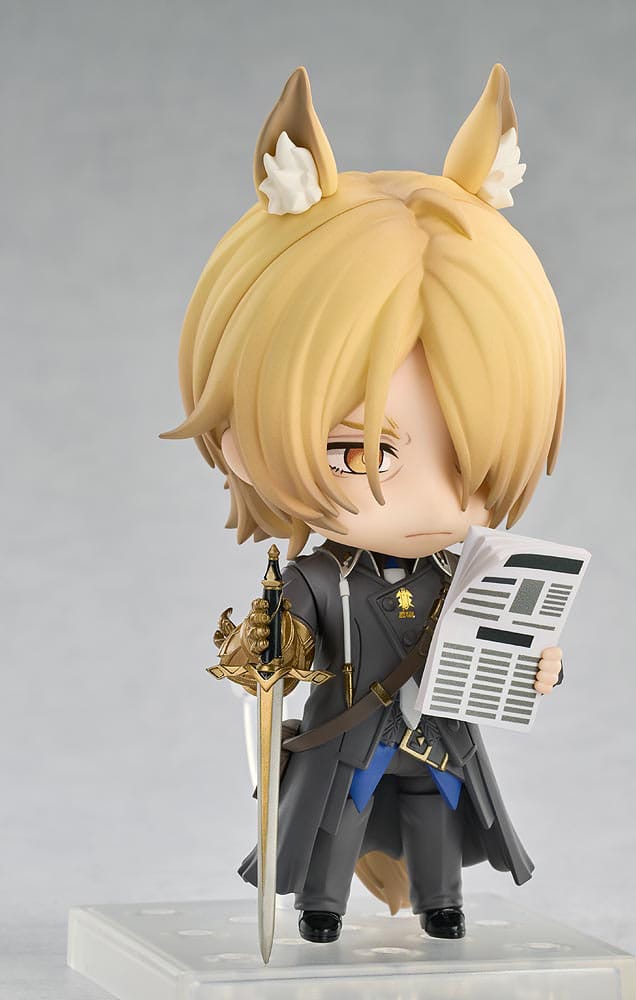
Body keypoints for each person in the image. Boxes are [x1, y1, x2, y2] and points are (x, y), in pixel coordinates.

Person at [162, 64, 566, 943]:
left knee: (433, 818)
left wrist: (541, 665)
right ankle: (323, 908)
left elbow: (507, 635)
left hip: (442, 735)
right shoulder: (320, 576)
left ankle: (442, 905)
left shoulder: (470, 566)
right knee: (335, 823)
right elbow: (279, 649)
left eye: (468, 458)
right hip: (349, 735)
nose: (428, 499)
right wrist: (265, 650)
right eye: (361, 452)